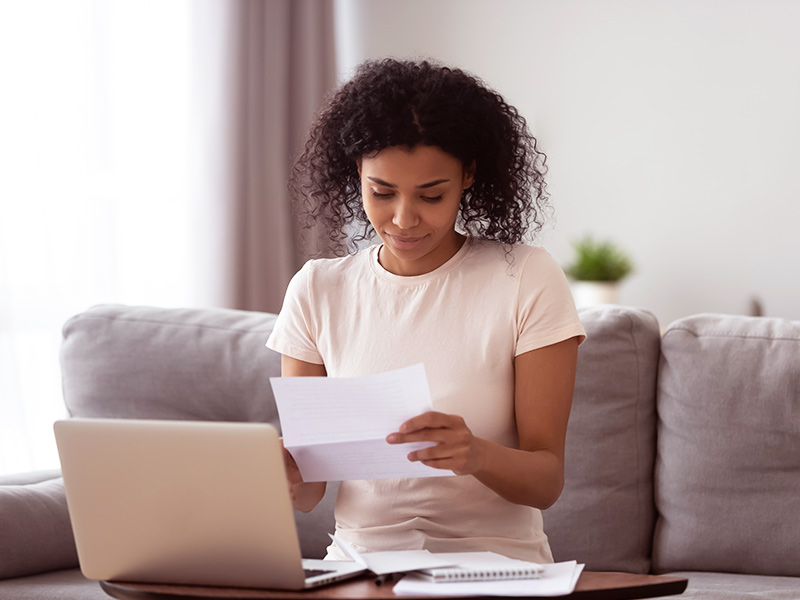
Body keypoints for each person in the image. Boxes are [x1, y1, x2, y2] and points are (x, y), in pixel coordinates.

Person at [266, 58, 586, 564]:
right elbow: (309, 494)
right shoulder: (317, 289)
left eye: (431, 195)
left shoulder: (525, 277)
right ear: (357, 174)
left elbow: (546, 481)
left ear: (468, 177)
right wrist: (286, 471)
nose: (403, 219)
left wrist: (476, 455)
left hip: (495, 566)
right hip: (359, 566)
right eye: (382, 192)